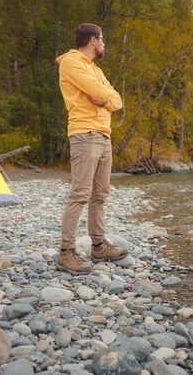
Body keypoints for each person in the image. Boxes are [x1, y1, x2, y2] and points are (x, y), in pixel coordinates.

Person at [54, 23, 127, 275]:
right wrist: (105, 96)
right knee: (80, 194)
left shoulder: (95, 69)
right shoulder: (71, 62)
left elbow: (116, 100)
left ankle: (98, 245)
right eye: (103, 40)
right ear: (94, 40)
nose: (105, 44)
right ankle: (66, 252)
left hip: (103, 135)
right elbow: (100, 92)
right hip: (85, 133)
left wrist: (106, 98)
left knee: (100, 194)